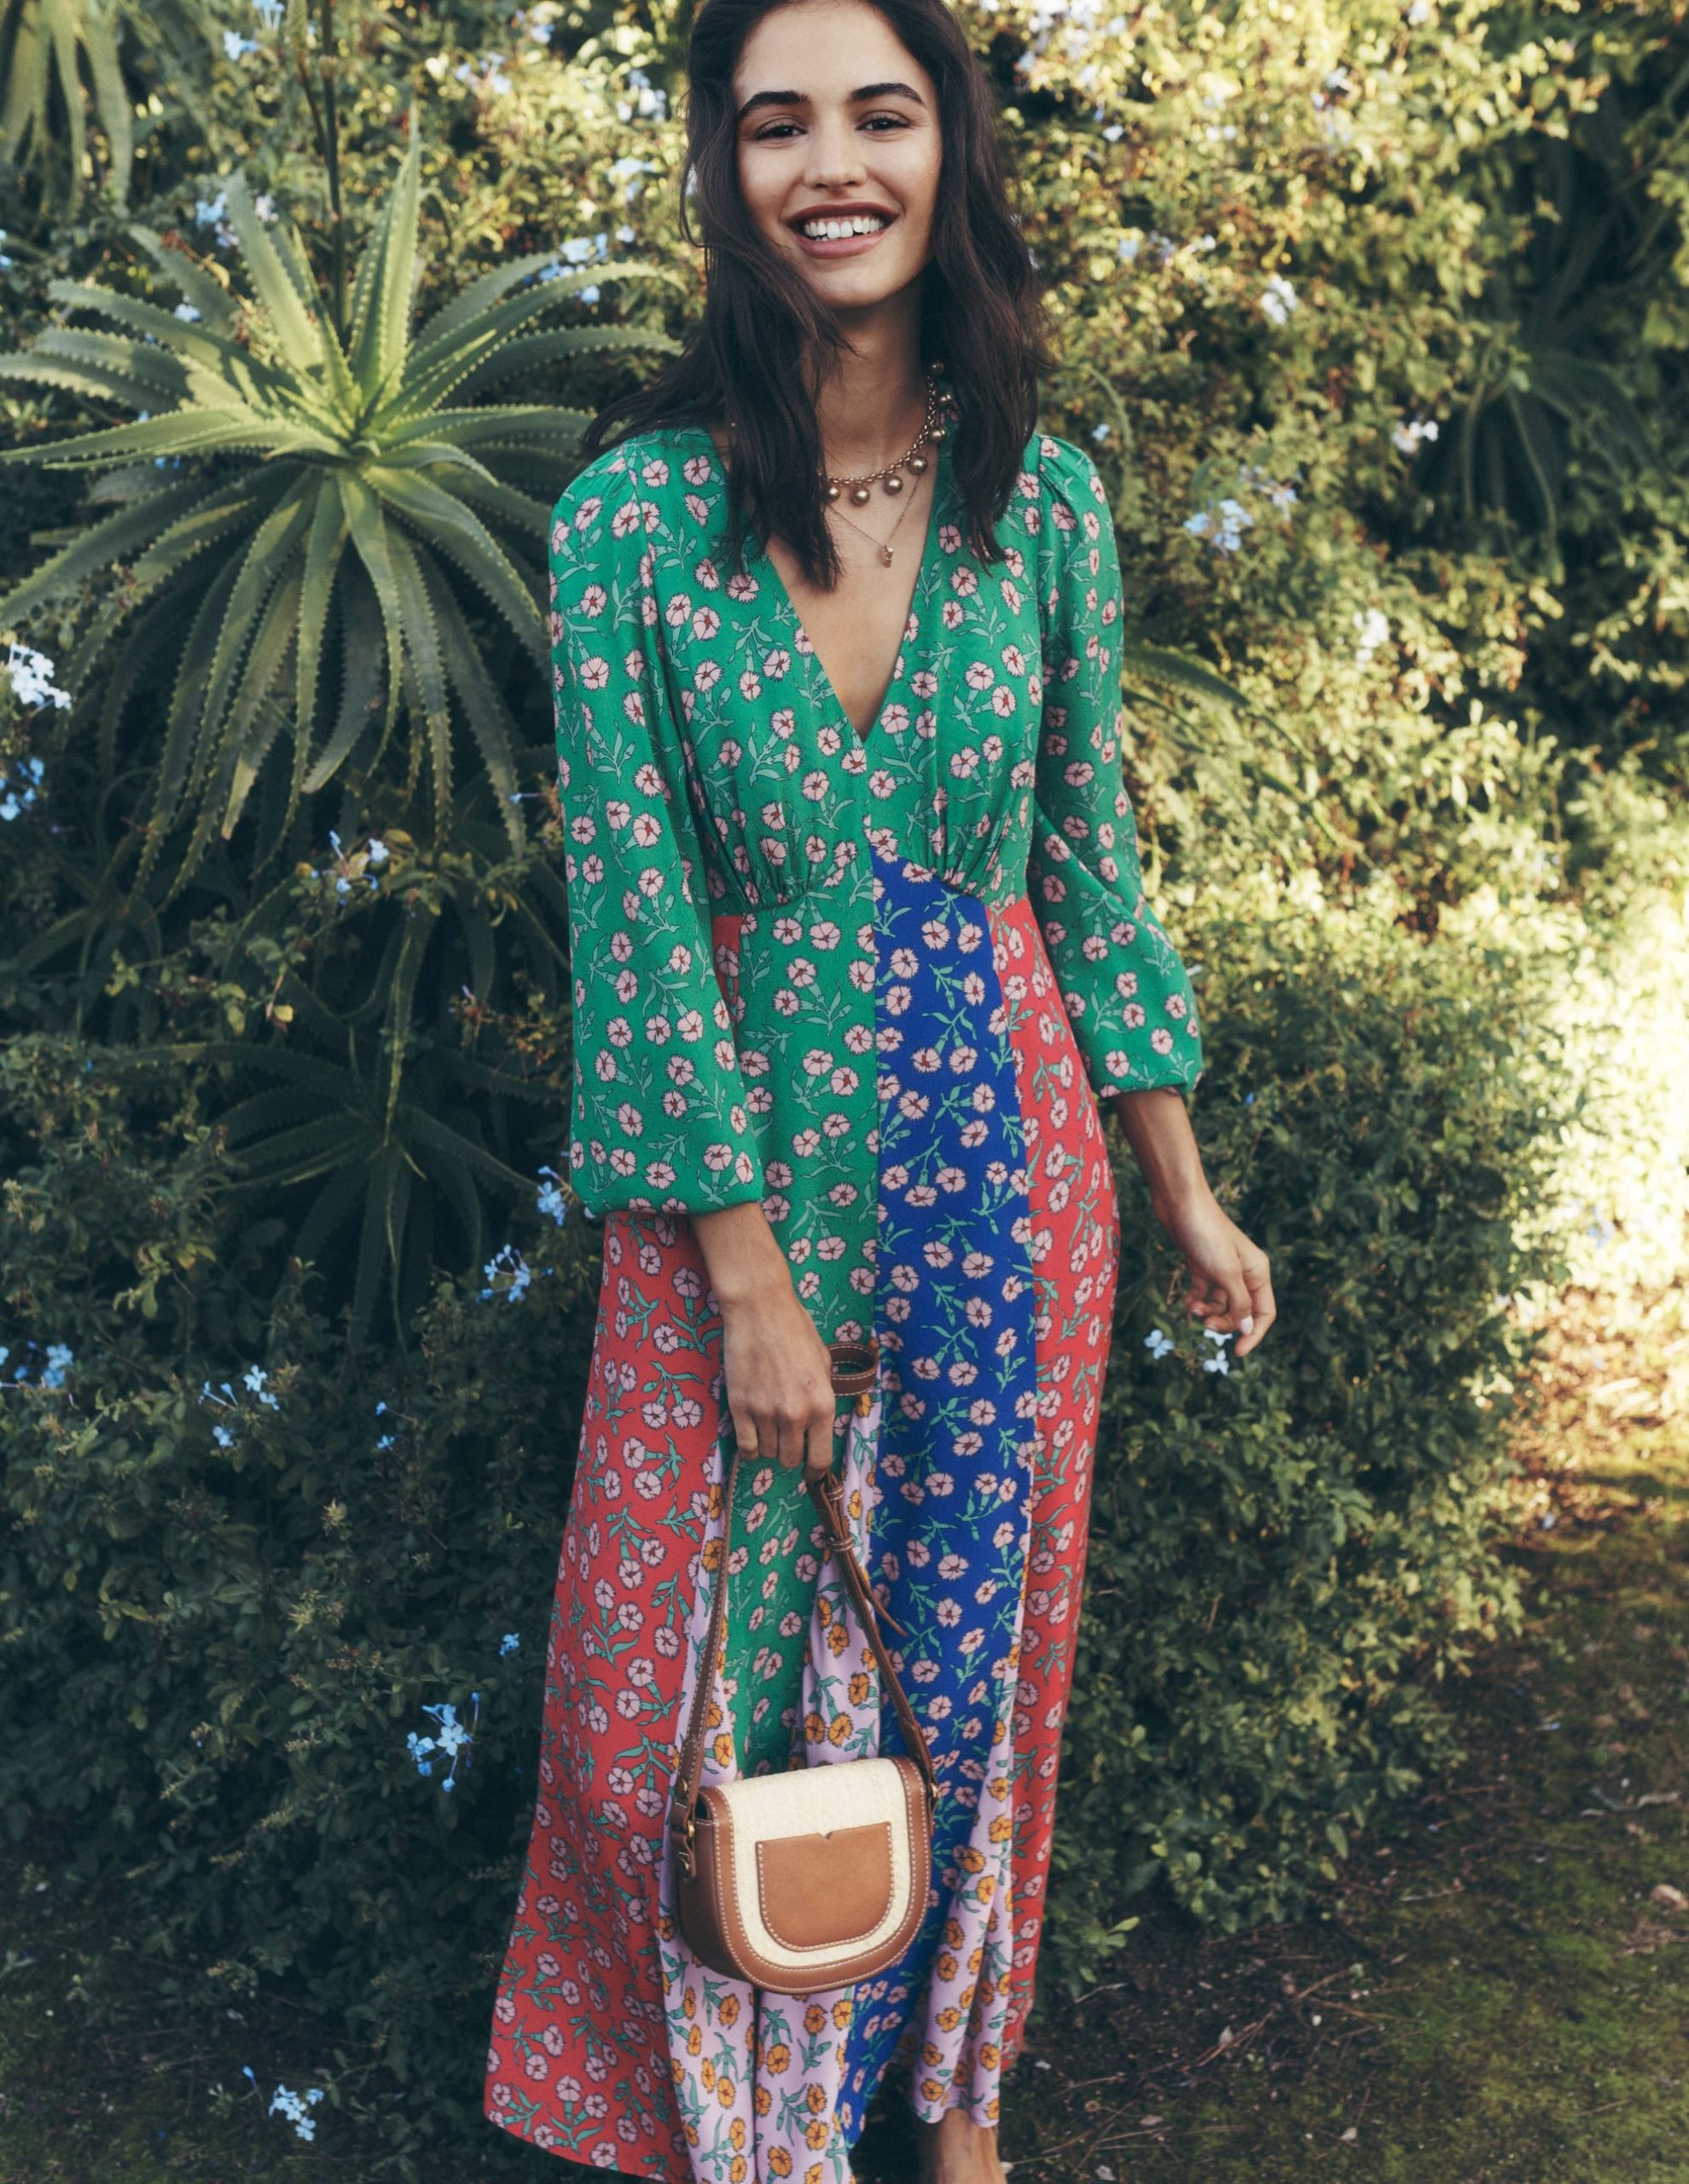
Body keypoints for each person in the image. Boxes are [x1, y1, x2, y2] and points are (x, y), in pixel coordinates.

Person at [484, 2, 1274, 2179]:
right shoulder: (633, 522)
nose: (831, 164)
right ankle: (748, 2125)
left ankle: (955, 2097)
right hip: (747, 1178)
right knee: (694, 1657)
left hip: (1012, 1166)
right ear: (726, 169)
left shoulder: (1047, 501)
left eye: (880, 113)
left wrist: (1181, 1183)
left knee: (974, 1628)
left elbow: (1087, 868)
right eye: (777, 123)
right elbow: (638, 914)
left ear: (950, 150)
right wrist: (741, 1273)